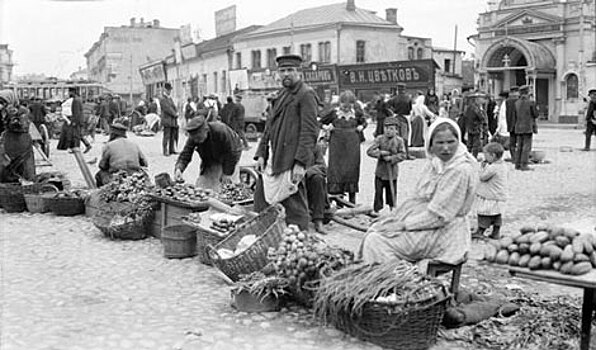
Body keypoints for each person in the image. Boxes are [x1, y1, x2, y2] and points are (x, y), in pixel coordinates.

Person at [359, 118, 479, 266]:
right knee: (376, 229)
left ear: (459, 141)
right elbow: (418, 197)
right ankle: (384, 275)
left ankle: (394, 280)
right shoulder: (437, 162)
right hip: (427, 225)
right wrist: (396, 218)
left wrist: (403, 225)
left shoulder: (459, 169)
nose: (446, 148)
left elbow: (439, 217)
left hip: (444, 233)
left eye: (451, 142)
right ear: (431, 144)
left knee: (377, 241)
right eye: (440, 143)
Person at [253, 54, 319, 230]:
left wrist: (300, 163)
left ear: (299, 72)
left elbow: (309, 132)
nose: (286, 74)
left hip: (290, 160)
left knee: (294, 206)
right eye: (282, 71)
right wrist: (261, 154)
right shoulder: (281, 94)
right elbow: (268, 127)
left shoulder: (306, 94)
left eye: (290, 70)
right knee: (261, 202)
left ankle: (299, 242)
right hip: (274, 158)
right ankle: (266, 238)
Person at [320, 90, 366, 204]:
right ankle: (338, 200)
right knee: (336, 170)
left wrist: (361, 127)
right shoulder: (334, 113)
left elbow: (364, 122)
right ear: (339, 103)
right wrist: (326, 127)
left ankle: (352, 200)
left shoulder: (356, 113)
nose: (346, 108)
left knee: (352, 169)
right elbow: (320, 122)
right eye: (344, 105)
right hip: (337, 145)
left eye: (349, 105)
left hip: (352, 145)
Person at [174, 116, 243, 191]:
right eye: (195, 139)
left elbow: (232, 153)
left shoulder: (221, 130)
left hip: (230, 154)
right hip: (210, 158)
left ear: (206, 130)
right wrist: (179, 169)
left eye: (199, 138)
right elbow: (185, 154)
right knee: (203, 186)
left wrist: (227, 174)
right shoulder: (193, 136)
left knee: (227, 187)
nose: (196, 141)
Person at [367, 116, 407, 214]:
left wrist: (392, 158)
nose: (388, 131)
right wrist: (380, 153)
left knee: (391, 192)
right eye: (386, 128)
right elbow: (370, 151)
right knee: (378, 192)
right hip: (380, 172)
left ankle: (392, 209)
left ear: (396, 130)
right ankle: (377, 210)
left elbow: (403, 155)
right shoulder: (379, 139)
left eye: (391, 129)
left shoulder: (399, 141)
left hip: (392, 173)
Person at [95, 122, 148, 187]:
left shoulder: (109, 145)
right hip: (134, 177)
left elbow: (102, 166)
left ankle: (101, 193)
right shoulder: (134, 144)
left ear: (112, 134)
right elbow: (145, 164)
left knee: (99, 174)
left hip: (117, 177)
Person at [473, 142, 507, 240]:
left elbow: (483, 177)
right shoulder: (503, 165)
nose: (485, 158)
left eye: (486, 155)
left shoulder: (493, 168)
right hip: (499, 196)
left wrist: (482, 168)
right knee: (497, 215)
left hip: (490, 196)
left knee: (484, 213)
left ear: (493, 155)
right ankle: (496, 232)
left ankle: (481, 230)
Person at [0, 90, 35, 183]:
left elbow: (22, 126)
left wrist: (12, 116)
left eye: (4, 101)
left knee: (23, 165)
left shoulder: (23, 111)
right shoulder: (3, 111)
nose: (2, 104)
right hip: (9, 141)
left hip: (21, 141)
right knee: (6, 166)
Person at [306, 143, 331, 235]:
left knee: (318, 179)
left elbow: (323, 168)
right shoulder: (290, 145)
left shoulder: (314, 147)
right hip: (291, 181)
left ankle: (318, 219)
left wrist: (306, 172)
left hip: (308, 181)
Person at [513, 85, 538, 171]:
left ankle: (517, 164)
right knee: (526, 146)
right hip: (527, 126)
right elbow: (535, 114)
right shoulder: (531, 102)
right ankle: (524, 164)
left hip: (518, 126)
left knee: (519, 146)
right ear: (527, 92)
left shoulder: (517, 102)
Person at [387, 83, 414, 159]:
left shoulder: (394, 99)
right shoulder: (408, 98)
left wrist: (392, 112)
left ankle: (396, 153)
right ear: (404, 89)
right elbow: (410, 109)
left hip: (396, 118)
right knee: (405, 137)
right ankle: (406, 154)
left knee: (395, 136)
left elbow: (386, 106)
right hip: (405, 118)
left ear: (398, 90)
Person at [57, 88, 84, 152]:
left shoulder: (75, 100)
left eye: (69, 92)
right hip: (78, 119)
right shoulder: (78, 99)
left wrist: (74, 121)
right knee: (75, 134)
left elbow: (76, 112)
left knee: (74, 135)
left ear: (72, 92)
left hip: (75, 120)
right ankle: (76, 147)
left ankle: (76, 147)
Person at [464, 92, 489, 158]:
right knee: (476, 144)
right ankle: (474, 157)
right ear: (477, 100)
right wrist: (482, 112)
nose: (483, 101)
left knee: (469, 143)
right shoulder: (476, 108)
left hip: (470, 127)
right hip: (476, 128)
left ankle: (467, 156)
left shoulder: (469, 107)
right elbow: (481, 117)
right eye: (481, 99)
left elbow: (465, 115)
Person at [160, 82, 178, 156]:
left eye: (170, 90)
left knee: (172, 136)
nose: (169, 91)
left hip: (172, 120)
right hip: (167, 120)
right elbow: (167, 109)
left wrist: (176, 112)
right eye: (168, 90)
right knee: (166, 136)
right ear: (165, 90)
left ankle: (171, 149)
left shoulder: (170, 98)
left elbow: (173, 107)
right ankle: (165, 150)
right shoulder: (163, 99)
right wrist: (174, 114)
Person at [505, 86, 520, 162]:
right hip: (519, 124)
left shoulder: (508, 101)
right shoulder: (519, 100)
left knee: (512, 142)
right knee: (520, 142)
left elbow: (507, 114)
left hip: (511, 124)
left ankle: (513, 157)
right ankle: (518, 158)